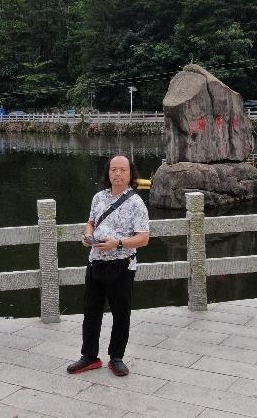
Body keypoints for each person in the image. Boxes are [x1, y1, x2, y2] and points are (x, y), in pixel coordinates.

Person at [67, 155, 150, 377]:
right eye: (114, 169)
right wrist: (87, 236)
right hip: (96, 263)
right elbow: (91, 223)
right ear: (108, 172)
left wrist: (118, 243)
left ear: (131, 174)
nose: (118, 174)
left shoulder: (136, 203)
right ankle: (89, 357)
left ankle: (116, 358)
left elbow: (143, 238)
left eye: (123, 170)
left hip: (123, 266)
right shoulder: (98, 198)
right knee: (91, 313)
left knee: (121, 315)